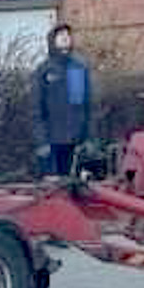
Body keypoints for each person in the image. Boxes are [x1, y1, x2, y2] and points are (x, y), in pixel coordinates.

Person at [32, 23, 93, 178]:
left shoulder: (78, 68)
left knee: (74, 186)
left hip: (74, 141)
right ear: (53, 40)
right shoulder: (44, 70)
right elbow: (36, 108)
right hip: (51, 141)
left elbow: (84, 106)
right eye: (61, 35)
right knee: (53, 187)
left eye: (68, 35)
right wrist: (41, 141)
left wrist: (87, 138)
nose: (66, 38)